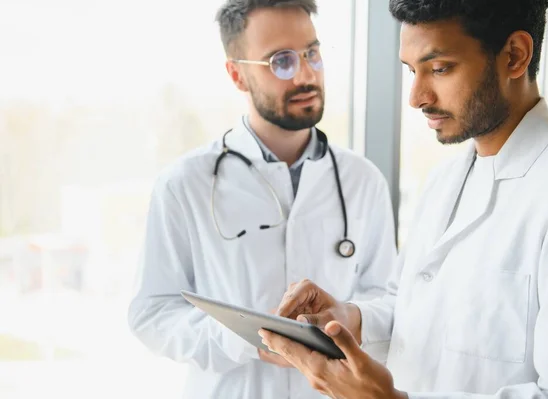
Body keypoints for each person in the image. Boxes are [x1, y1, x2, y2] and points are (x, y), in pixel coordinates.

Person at [260, 0, 548, 398]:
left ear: (514, 56)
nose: (417, 96)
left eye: (439, 68)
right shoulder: (443, 181)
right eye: (411, 70)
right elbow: (411, 309)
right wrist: (349, 319)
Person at [127, 0, 397, 398]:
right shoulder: (185, 183)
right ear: (237, 75)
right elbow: (151, 313)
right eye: (281, 62)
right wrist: (247, 341)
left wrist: (349, 317)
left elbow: (391, 299)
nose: (306, 74)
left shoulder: (362, 180)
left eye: (312, 54)